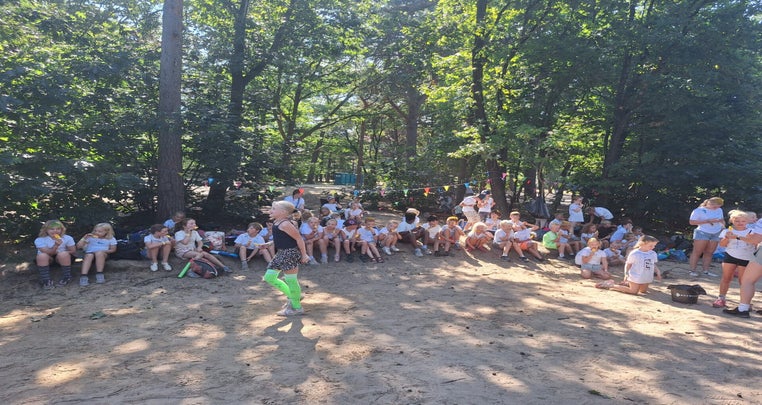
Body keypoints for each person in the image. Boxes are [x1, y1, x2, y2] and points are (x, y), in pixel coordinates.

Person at [262, 201, 310, 316]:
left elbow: (299, 239)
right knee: (269, 277)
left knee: (291, 280)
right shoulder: (277, 222)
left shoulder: (285, 224)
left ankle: (297, 307)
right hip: (281, 253)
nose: (271, 210)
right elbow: (283, 238)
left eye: (274, 209)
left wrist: (304, 255)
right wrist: (269, 243)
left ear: (283, 212)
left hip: (289, 253)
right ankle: (294, 296)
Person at [713, 210, 756, 308]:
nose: (740, 223)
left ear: (747, 221)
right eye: (737, 221)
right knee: (726, 277)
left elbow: (755, 243)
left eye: (743, 221)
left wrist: (746, 238)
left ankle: (745, 302)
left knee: (744, 281)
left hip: (746, 257)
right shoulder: (727, 231)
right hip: (730, 255)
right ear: (732, 221)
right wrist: (727, 238)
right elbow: (722, 245)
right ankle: (721, 298)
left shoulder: (752, 231)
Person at [34, 220, 77, 289]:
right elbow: (48, 253)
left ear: (62, 230)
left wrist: (62, 253)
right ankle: (46, 280)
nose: (55, 231)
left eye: (58, 229)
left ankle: (66, 277)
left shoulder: (67, 238)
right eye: (52, 229)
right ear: (46, 230)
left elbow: (73, 251)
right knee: (42, 256)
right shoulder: (40, 240)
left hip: (63, 259)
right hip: (48, 259)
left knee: (63, 254)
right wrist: (56, 246)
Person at [688, 197, 725, 277]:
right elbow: (692, 222)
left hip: (716, 232)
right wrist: (708, 221)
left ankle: (706, 271)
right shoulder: (699, 210)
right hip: (702, 232)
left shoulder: (719, 210)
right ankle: (692, 270)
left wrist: (723, 229)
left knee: (709, 252)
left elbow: (722, 220)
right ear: (709, 203)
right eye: (714, 206)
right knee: (697, 252)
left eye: (718, 206)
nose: (716, 208)